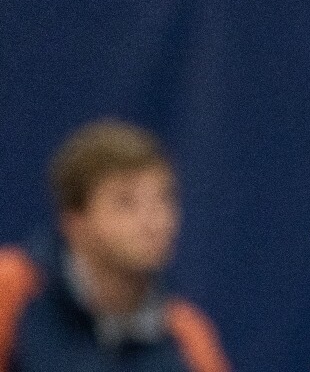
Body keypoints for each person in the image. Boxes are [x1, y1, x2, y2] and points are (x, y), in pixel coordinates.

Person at [0, 119, 229, 371]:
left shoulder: (188, 335)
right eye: (125, 203)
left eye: (164, 198)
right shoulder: (11, 290)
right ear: (74, 222)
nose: (154, 222)